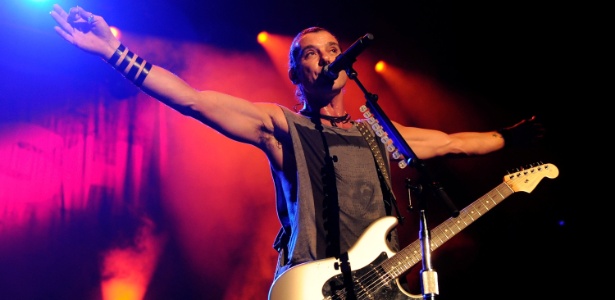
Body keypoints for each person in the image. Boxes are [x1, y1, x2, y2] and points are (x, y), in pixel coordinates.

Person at [50, 4, 544, 298]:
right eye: (310, 51)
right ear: (296, 72)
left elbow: (454, 143)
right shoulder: (280, 125)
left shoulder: (377, 132)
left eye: (333, 48)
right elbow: (192, 100)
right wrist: (114, 52)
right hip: (312, 286)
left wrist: (509, 138)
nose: (326, 56)